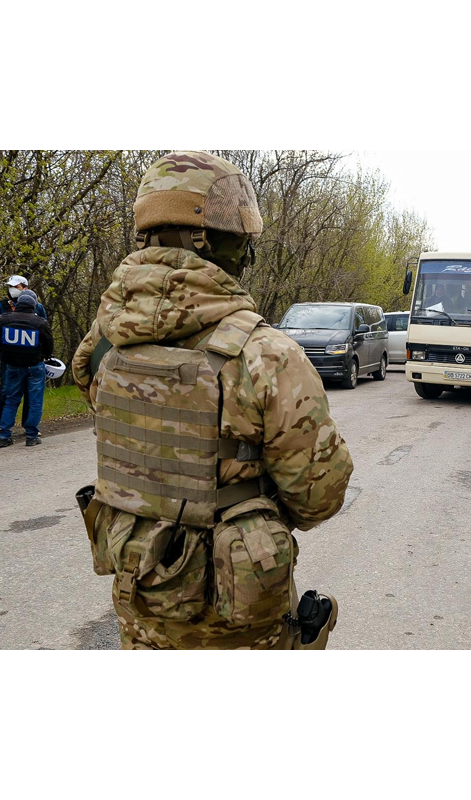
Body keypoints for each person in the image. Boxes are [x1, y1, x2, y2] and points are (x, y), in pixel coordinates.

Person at [72, 150, 353, 650]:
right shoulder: (267, 355)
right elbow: (317, 498)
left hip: (140, 604)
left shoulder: (103, 344)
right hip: (238, 622)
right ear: (214, 241)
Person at [0, 275, 48, 436]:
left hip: (32, 357)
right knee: (6, 391)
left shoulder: (38, 307)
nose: (12, 289)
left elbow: (44, 330)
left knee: (31, 392)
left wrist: (43, 353)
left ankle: (28, 425)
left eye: (16, 286)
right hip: (10, 357)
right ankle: (1, 426)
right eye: (10, 286)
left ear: (25, 287)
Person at [0, 289, 53, 447]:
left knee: (11, 400)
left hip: (12, 366)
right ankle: (31, 435)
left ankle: (4, 435)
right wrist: (44, 356)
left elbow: (0, 340)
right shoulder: (40, 323)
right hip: (34, 366)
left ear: (17, 303)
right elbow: (49, 345)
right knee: (35, 402)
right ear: (34, 305)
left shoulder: (3, 319)